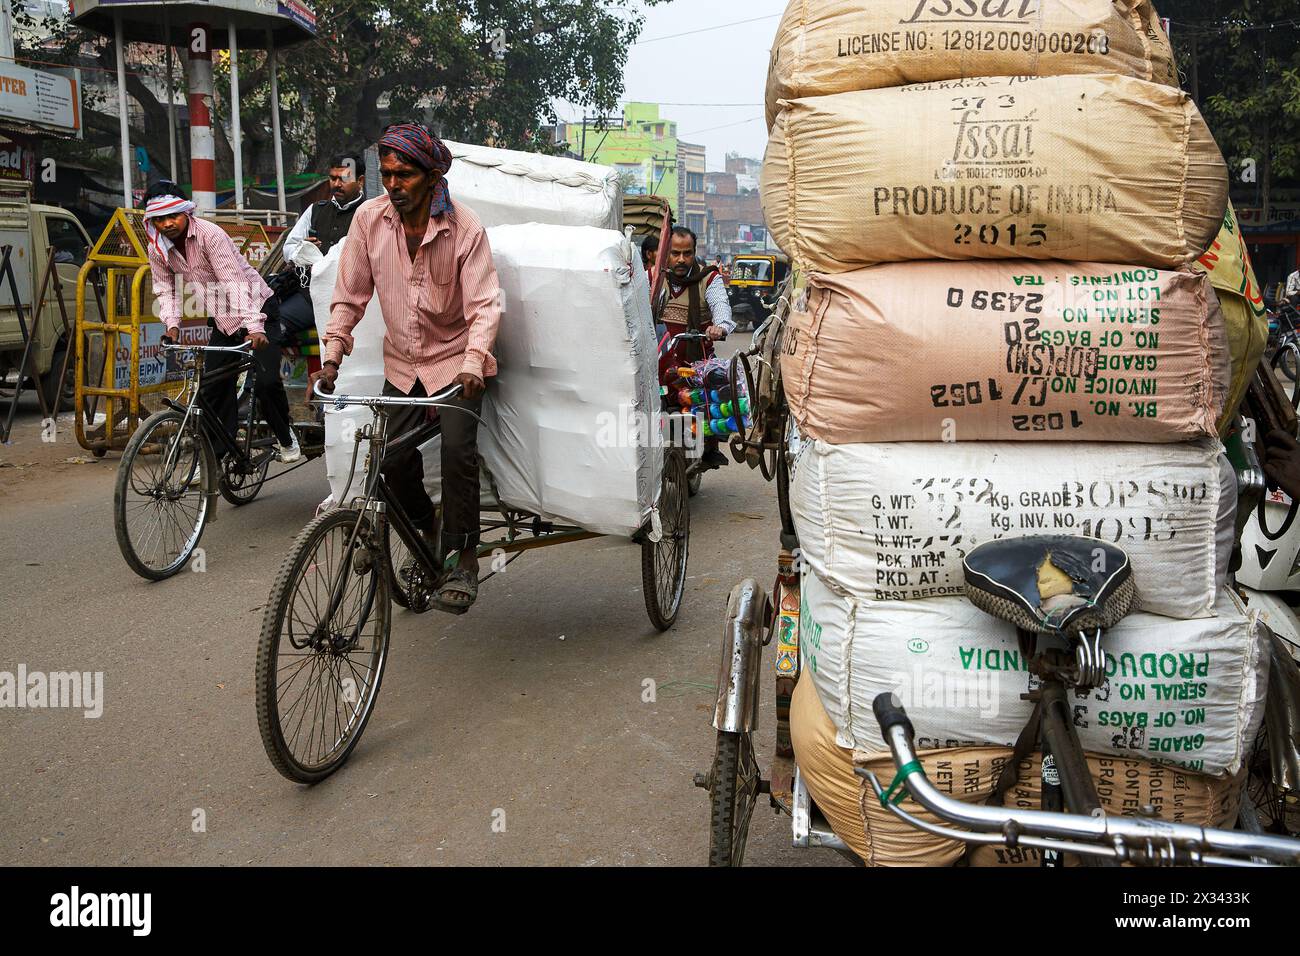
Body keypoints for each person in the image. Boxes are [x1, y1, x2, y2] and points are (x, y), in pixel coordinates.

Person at [315, 123, 501, 610]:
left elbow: (484, 307)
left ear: (432, 174)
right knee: (390, 461)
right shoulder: (368, 221)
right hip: (402, 365)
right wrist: (332, 355)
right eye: (386, 175)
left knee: (458, 453)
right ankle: (427, 524)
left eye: (404, 176)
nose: (393, 185)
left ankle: (464, 558)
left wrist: (474, 363)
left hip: (458, 362)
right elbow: (349, 295)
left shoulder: (465, 229)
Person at [145, 181, 299, 463]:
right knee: (212, 389)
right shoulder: (157, 246)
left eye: (172, 216)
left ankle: (286, 437)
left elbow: (235, 283)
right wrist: (172, 325)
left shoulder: (209, 235)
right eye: (159, 219)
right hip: (224, 319)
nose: (167, 224)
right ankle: (215, 460)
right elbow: (165, 288)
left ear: (185, 212)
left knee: (265, 383)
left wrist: (254, 327)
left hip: (258, 310)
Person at [270, 153, 368, 346]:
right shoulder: (316, 209)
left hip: (354, 299)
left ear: (360, 181)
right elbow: (289, 247)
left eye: (344, 179)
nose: (337, 184)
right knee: (272, 326)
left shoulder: (371, 213)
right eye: (333, 178)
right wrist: (304, 250)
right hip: (310, 296)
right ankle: (267, 377)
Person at [658, 225, 735, 469]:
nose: (681, 259)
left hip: (694, 360)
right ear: (665, 253)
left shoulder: (709, 278)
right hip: (658, 359)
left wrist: (719, 327)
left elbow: (721, 306)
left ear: (694, 252)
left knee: (712, 396)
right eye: (675, 253)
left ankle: (710, 447)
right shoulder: (653, 278)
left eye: (687, 253)